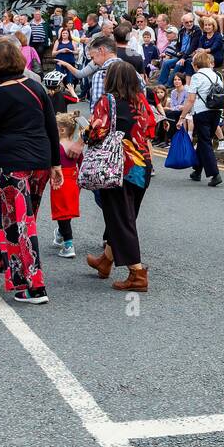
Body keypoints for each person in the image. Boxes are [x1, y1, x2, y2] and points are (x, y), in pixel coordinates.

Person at [0, 37, 62, 305]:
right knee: (15, 220)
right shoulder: (36, 86)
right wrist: (55, 163)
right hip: (40, 162)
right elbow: (51, 127)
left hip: (12, 164)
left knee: (20, 225)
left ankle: (34, 285)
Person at [82, 61, 156, 292]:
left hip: (118, 166)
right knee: (125, 216)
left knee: (121, 219)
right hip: (142, 165)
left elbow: (96, 132)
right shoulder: (142, 101)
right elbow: (151, 128)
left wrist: (84, 132)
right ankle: (106, 260)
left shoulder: (108, 101)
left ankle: (137, 273)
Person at [176, 50, 224, 188]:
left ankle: (215, 174)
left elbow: (190, 100)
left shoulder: (197, 77)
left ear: (196, 64)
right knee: (205, 141)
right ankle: (197, 170)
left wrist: (182, 117)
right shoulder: (216, 76)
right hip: (216, 111)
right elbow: (222, 96)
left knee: (205, 142)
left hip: (202, 112)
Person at [49, 111, 81, 258]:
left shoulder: (57, 146)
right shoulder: (75, 147)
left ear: (61, 130)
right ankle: (61, 234)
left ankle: (68, 245)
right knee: (67, 211)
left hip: (60, 180)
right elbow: (82, 163)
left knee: (61, 213)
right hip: (74, 181)